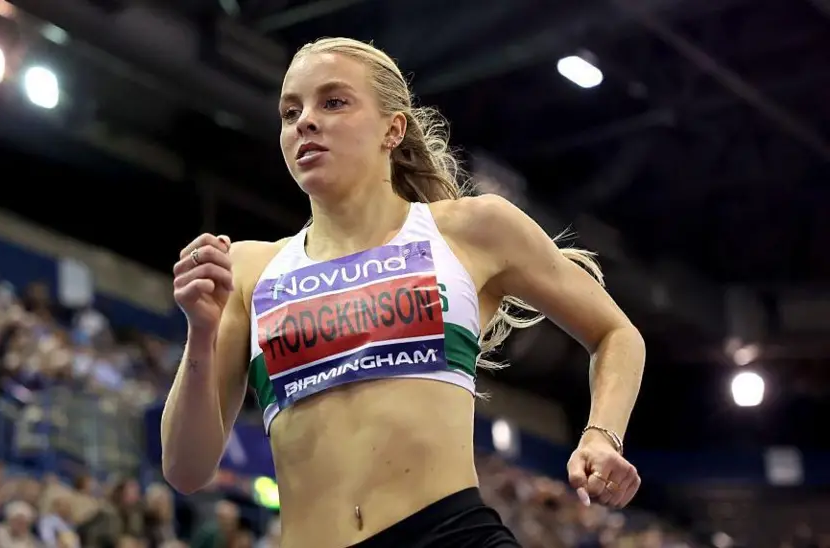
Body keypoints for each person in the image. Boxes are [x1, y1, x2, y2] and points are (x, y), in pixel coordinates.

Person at [161, 37, 646, 548]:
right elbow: (185, 470)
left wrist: (601, 434)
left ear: (392, 129)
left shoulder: (471, 230)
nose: (304, 121)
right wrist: (201, 331)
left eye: (333, 102)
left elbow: (616, 332)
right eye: (289, 111)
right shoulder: (248, 269)